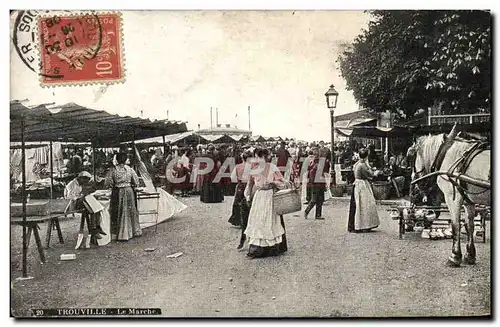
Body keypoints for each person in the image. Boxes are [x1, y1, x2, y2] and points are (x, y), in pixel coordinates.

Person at [243, 148, 290, 258]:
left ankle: (271, 248)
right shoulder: (253, 168)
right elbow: (249, 184)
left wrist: (273, 182)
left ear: (265, 157)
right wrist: (248, 196)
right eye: (256, 157)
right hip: (259, 196)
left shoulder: (272, 167)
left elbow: (282, 182)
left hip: (270, 196)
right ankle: (256, 249)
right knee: (258, 220)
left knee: (269, 220)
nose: (257, 159)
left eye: (259, 157)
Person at [105, 152, 142, 241]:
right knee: (130, 211)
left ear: (116, 160)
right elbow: (136, 181)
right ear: (125, 160)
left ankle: (122, 234)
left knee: (120, 212)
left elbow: (108, 183)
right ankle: (133, 231)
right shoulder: (129, 169)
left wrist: (115, 184)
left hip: (118, 192)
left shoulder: (112, 170)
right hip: (129, 191)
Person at [348, 148, 380, 233]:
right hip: (362, 185)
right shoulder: (362, 164)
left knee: (359, 205)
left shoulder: (358, 163)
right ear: (366, 156)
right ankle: (362, 225)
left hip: (357, 184)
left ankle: (357, 224)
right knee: (365, 204)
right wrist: (375, 173)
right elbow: (369, 174)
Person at [64, 171, 105, 239]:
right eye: (85, 181)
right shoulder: (71, 184)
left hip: (79, 202)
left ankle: (97, 227)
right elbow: (68, 197)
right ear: (81, 178)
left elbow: (79, 193)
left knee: (96, 208)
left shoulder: (79, 184)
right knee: (91, 207)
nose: (85, 183)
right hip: (73, 204)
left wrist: (83, 195)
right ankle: (94, 230)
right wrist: (80, 196)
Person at [304, 148, 330, 220]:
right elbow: (312, 174)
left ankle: (318, 215)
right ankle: (307, 211)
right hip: (316, 184)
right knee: (314, 200)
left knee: (320, 200)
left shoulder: (318, 163)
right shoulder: (314, 164)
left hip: (319, 183)